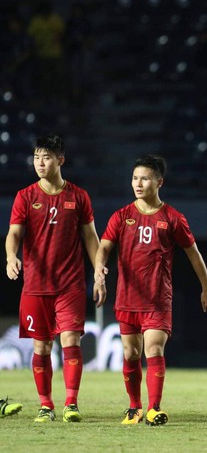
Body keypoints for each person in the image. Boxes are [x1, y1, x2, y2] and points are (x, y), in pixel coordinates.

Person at [94, 155, 207, 426]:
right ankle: (134, 407)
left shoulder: (172, 218)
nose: (138, 183)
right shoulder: (122, 216)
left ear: (159, 182)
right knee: (130, 354)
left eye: (145, 178)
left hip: (158, 300)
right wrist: (98, 271)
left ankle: (154, 408)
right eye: (135, 178)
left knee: (154, 350)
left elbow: (194, 254)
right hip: (127, 298)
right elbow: (103, 247)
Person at [5, 134, 104, 423]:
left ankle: (71, 403)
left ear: (60, 160)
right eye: (36, 157)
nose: (40, 162)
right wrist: (11, 257)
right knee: (41, 347)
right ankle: (45, 405)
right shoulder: (25, 196)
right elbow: (13, 234)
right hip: (36, 286)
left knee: (70, 340)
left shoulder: (78, 196)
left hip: (69, 284)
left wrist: (98, 271)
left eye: (46, 157)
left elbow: (90, 236)